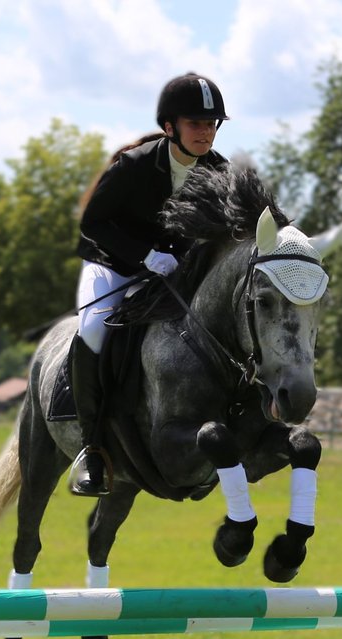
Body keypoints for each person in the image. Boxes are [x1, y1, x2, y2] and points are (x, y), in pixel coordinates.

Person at [67, 73, 230, 496]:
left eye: (212, 124)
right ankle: (91, 449)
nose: (206, 132)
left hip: (175, 273)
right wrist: (144, 255)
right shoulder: (135, 164)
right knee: (94, 330)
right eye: (196, 123)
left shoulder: (219, 171)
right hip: (114, 264)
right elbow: (93, 221)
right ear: (170, 127)